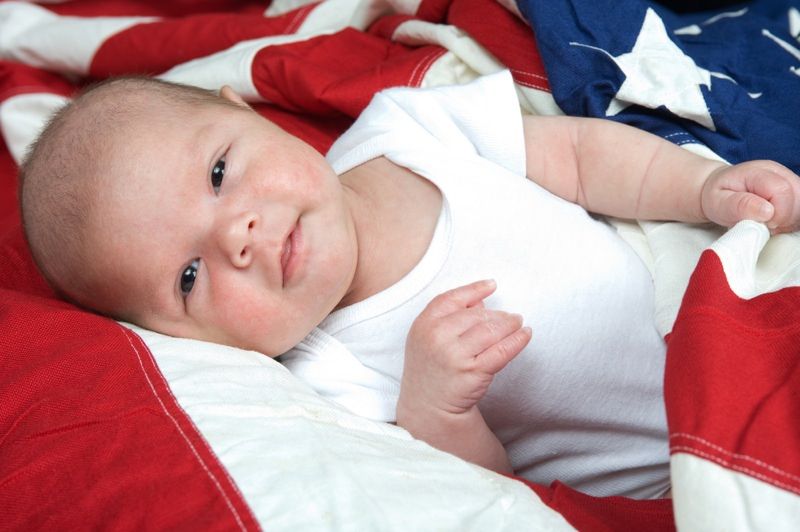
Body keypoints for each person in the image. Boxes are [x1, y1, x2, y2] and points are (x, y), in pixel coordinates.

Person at [19, 71, 800, 499]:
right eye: (189, 276)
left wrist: (702, 188)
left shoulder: (403, 132)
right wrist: (436, 406)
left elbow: (577, 158)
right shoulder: (325, 373)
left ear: (247, 112)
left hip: (730, 330)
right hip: (683, 471)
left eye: (221, 172)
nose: (239, 235)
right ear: (173, 337)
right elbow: (474, 494)